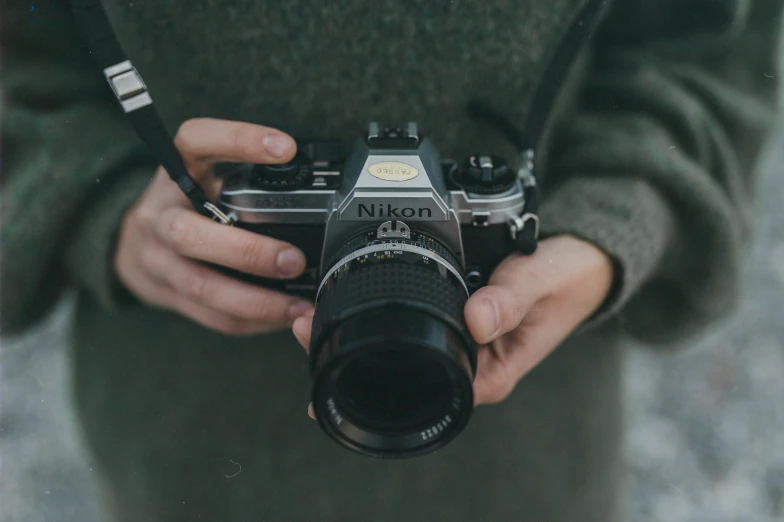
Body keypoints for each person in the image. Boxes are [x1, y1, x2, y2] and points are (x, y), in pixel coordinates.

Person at [2, 0, 781, 520]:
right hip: (191, 459)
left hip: (526, 468)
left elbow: (711, 46)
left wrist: (608, 221)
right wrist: (108, 208)